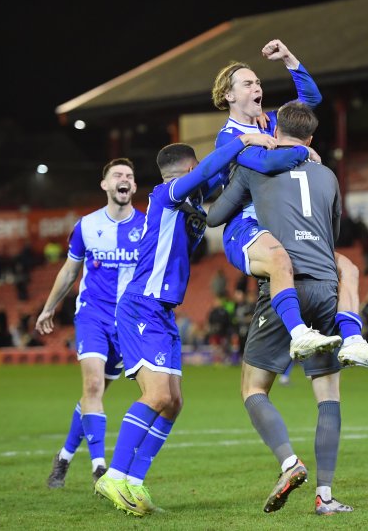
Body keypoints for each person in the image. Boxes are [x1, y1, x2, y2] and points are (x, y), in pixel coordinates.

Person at [94, 136, 276, 516]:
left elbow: (222, 173)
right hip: (143, 305)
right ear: (189, 171)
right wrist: (243, 139)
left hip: (162, 311)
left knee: (173, 403)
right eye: (197, 171)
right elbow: (212, 168)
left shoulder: (190, 199)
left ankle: (135, 482)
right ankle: (113, 475)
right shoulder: (166, 194)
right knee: (158, 396)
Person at [207, 102, 354, 515]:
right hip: (326, 284)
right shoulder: (327, 173)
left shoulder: (257, 166)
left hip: (284, 284)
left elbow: (216, 216)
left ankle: (289, 462)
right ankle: (325, 497)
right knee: (328, 394)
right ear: (310, 140)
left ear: (275, 130)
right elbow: (335, 230)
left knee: (253, 387)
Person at [211, 40, 368, 370]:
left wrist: (289, 59)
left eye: (258, 82)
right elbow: (265, 165)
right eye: (248, 83)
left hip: (281, 223)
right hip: (248, 224)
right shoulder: (229, 137)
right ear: (229, 95)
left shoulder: (269, 121)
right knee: (282, 260)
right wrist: (302, 151)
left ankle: (353, 340)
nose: (258, 87)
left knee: (346, 267)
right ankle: (299, 333)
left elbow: (309, 102)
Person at [37, 159, 145, 488]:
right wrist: (48, 308)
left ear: (134, 187)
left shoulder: (146, 227)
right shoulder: (86, 225)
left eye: (129, 176)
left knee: (91, 396)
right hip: (92, 315)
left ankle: (64, 457)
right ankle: (100, 467)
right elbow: (70, 270)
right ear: (105, 185)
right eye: (117, 175)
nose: (123, 179)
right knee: (93, 387)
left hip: (126, 322)